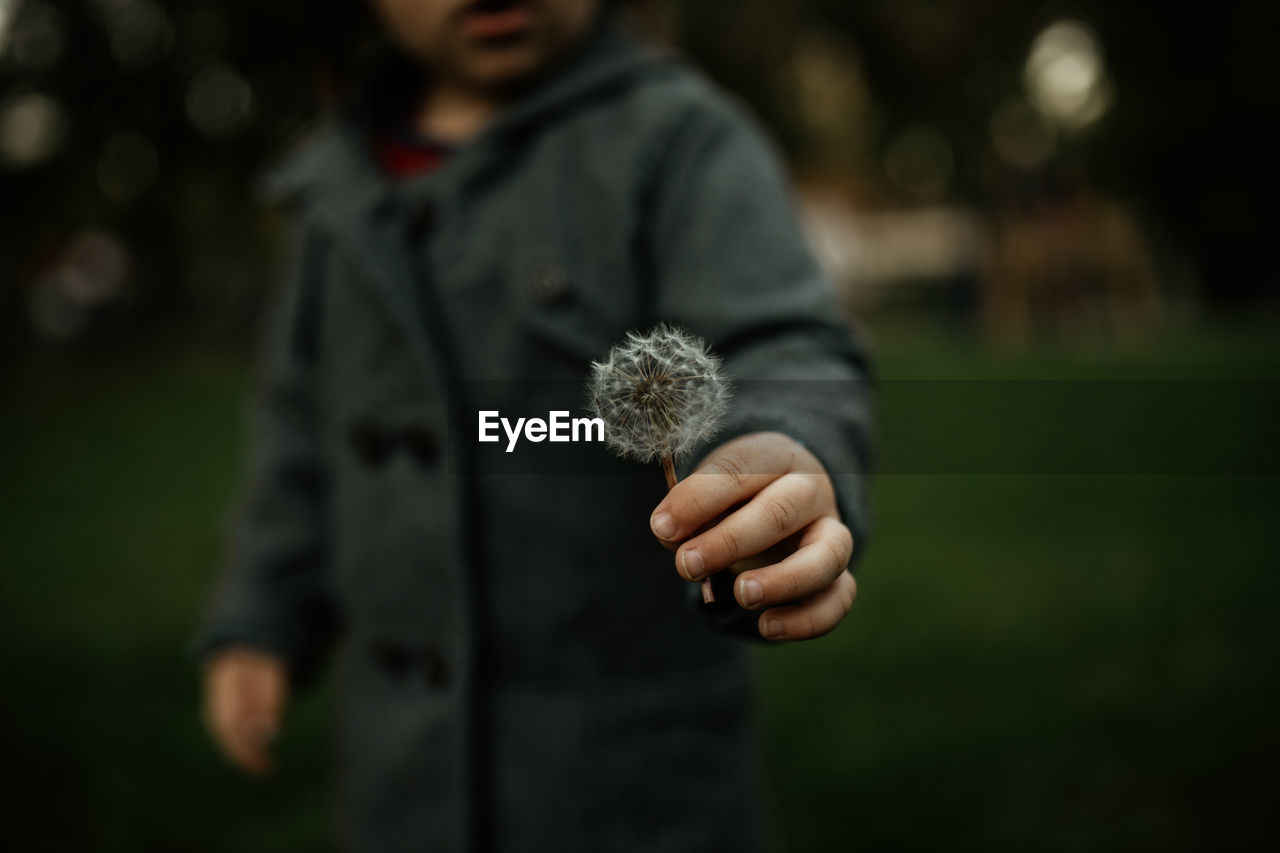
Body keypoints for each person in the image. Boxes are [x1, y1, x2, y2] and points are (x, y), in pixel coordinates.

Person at [193, 1, 875, 850]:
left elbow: (779, 343)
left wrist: (776, 449)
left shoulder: (681, 141)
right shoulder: (331, 193)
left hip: (634, 794)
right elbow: (303, 437)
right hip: (394, 788)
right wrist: (262, 615)